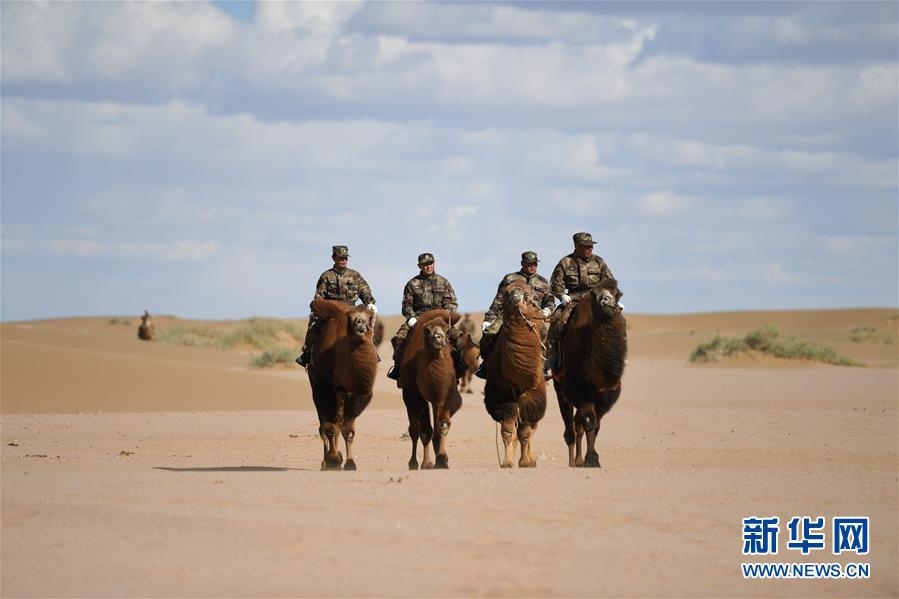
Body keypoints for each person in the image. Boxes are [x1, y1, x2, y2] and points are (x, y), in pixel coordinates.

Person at [544, 232, 618, 371]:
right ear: (577, 246)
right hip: (574, 300)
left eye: (591, 246)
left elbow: (609, 282)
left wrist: (613, 298)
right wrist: (562, 295)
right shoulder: (565, 262)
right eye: (586, 246)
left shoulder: (599, 261)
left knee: (618, 320)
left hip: (596, 299)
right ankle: (553, 355)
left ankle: (616, 353)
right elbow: (556, 284)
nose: (590, 248)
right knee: (558, 319)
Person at [475, 251, 554, 379]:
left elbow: (550, 301)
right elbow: (498, 301)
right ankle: (486, 364)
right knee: (490, 333)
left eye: (535, 264)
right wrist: (488, 319)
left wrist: (548, 310)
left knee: (544, 335)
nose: (533, 266)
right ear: (522, 263)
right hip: (509, 315)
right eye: (529, 264)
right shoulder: (510, 279)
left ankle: (542, 368)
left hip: (533, 318)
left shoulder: (543, 282)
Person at [296, 245, 376, 367]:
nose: (343, 260)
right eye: (340, 258)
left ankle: (372, 353)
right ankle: (307, 354)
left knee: (366, 329)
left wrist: (370, 302)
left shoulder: (355, 275)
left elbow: (365, 292)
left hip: (351, 312)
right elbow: (319, 297)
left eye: (345, 258)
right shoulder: (326, 276)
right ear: (334, 258)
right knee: (314, 327)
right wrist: (318, 308)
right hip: (331, 312)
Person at [386, 252, 459, 380]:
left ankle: (459, 368)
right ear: (419, 266)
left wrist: (446, 316)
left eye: (430, 263)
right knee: (399, 338)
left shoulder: (444, 282)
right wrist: (411, 317)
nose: (428, 266)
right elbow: (406, 305)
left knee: (459, 338)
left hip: (440, 319)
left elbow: (451, 303)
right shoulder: (412, 284)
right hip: (418, 319)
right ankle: (398, 368)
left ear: (434, 263)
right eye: (425, 264)